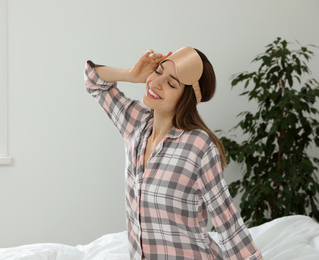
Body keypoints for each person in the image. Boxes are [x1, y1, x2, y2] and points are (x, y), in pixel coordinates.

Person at [84, 47, 263, 260]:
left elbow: (228, 224)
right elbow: (93, 81)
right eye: (158, 72)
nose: (156, 83)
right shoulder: (136, 124)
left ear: (185, 99)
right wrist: (131, 75)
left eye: (171, 84)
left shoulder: (199, 146)